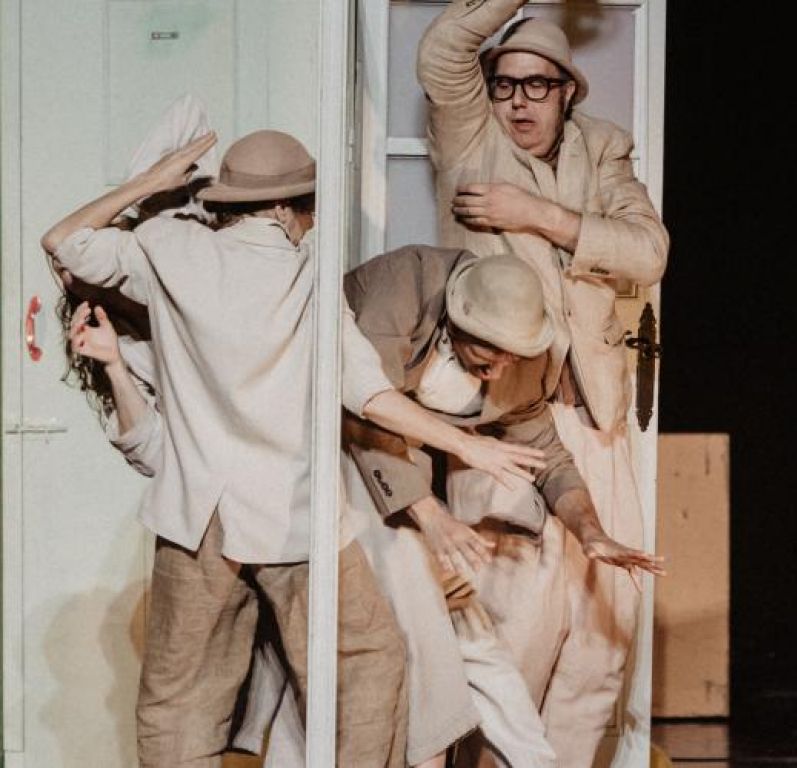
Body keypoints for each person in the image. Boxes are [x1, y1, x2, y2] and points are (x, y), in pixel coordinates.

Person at [41, 129, 408, 767]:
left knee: (184, 699)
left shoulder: (169, 255)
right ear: (288, 208)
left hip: (202, 517)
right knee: (362, 664)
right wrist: (118, 366)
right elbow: (153, 446)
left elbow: (64, 241)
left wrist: (147, 185)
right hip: (282, 513)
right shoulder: (285, 267)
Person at [417, 1, 670, 764]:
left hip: (593, 418)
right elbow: (444, 46)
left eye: (537, 86)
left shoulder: (603, 149)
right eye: (505, 85)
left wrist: (536, 214)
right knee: (513, 631)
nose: (519, 102)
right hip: (505, 421)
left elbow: (648, 252)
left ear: (567, 92)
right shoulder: (471, 139)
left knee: (603, 634)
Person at [343, 245, 665, 765]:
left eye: (513, 355)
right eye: (490, 352)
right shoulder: (403, 285)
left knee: (471, 634)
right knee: (416, 627)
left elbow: (550, 458)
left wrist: (590, 531)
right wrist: (430, 514)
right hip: (337, 456)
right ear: (458, 315)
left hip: (406, 472)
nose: (499, 369)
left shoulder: (521, 363)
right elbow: (362, 408)